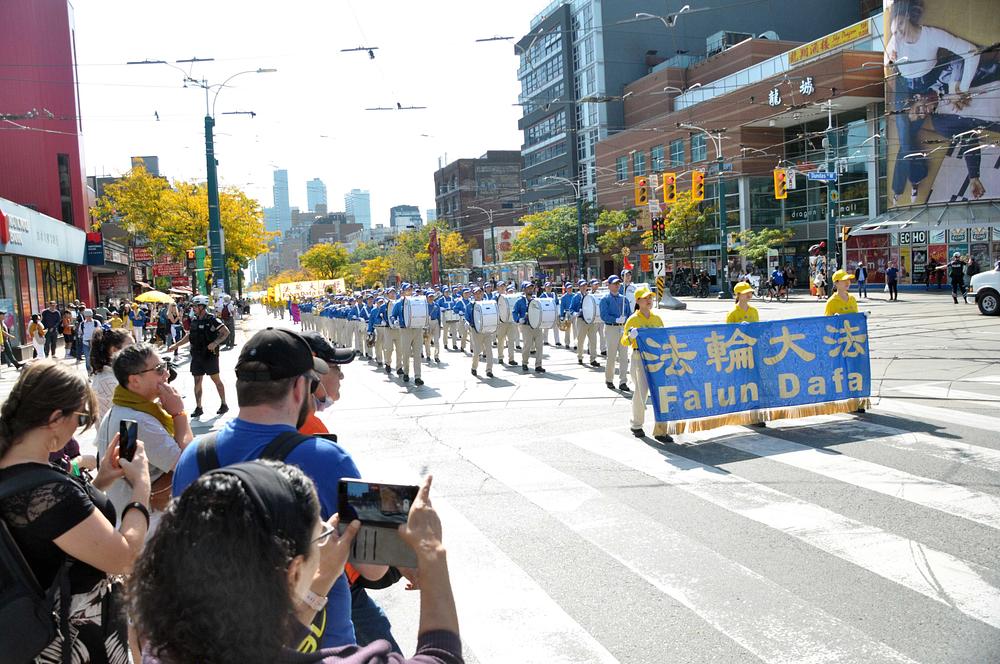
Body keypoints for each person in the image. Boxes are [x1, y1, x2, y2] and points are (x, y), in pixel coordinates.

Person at [172, 327, 382, 650]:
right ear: (300, 388)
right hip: (319, 646)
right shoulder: (327, 459)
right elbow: (374, 566)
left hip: (226, 645)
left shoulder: (193, 457)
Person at [134, 462, 462, 664]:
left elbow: (261, 648)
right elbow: (441, 657)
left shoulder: (161, 647)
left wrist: (319, 583)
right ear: (292, 571)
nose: (326, 542)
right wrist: (431, 552)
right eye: (320, 538)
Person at [0, 360, 151, 663]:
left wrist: (102, 481)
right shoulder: (51, 492)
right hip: (74, 639)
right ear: (56, 418)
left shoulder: (20, 473)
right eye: (79, 416)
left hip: (31, 636)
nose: (77, 427)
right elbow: (124, 557)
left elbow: (52, 527)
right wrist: (141, 486)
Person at [96, 344, 193, 527]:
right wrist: (179, 414)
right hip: (149, 522)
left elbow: (127, 463)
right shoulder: (138, 420)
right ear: (134, 381)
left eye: (164, 365)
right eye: (159, 369)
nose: (167, 373)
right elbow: (188, 463)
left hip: (130, 515)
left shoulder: (122, 411)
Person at [167, 295, 230, 418]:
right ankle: (199, 407)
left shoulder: (212, 319)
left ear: (202, 306)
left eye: (195, 306)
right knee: (197, 381)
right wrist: (175, 345)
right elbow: (189, 336)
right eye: (193, 306)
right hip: (197, 355)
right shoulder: (194, 320)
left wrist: (215, 343)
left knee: (216, 380)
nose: (193, 308)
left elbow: (226, 332)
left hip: (210, 355)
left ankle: (224, 404)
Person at [622, 287, 671, 443]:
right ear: (637, 301)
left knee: (661, 393)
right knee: (641, 392)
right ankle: (636, 424)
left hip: (657, 358)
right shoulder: (632, 319)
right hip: (639, 357)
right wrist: (631, 336)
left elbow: (664, 337)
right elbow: (624, 341)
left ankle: (661, 430)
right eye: (644, 298)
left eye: (650, 297)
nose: (649, 300)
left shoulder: (657, 318)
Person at [90, 327, 134, 419]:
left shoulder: (116, 374)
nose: (136, 350)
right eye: (131, 347)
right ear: (114, 350)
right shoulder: (108, 381)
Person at [390, 283, 424, 386]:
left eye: (410, 289)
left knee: (417, 354)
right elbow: (393, 315)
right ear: (403, 291)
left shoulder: (417, 301)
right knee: (406, 353)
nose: (410, 291)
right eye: (407, 289)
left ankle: (418, 376)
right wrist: (394, 321)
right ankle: (406, 373)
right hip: (405, 330)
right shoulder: (398, 303)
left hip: (417, 329)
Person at [600, 276, 629, 391]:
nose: (617, 285)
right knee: (611, 356)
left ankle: (623, 381)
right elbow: (604, 315)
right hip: (611, 328)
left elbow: (630, 313)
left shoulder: (624, 299)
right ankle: (609, 379)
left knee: (624, 356)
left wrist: (626, 321)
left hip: (623, 328)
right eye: (615, 283)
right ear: (609, 285)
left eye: (618, 283)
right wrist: (616, 319)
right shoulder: (605, 299)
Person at [512, 281, 545, 374]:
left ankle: (538, 365)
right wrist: (518, 320)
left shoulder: (536, 300)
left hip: (537, 326)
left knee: (539, 346)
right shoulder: (520, 301)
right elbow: (514, 312)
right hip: (526, 326)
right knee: (527, 345)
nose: (530, 289)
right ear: (524, 289)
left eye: (531, 288)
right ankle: (525, 363)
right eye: (528, 288)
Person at [466, 287, 495, 378]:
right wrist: (467, 323)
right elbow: (467, 317)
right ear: (473, 294)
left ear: (482, 294)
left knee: (489, 351)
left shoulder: (487, 303)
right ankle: (474, 367)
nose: (478, 295)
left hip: (486, 330)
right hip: (476, 330)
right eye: (476, 293)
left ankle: (489, 370)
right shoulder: (469, 305)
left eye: (479, 293)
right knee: (477, 351)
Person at [78, 308, 99, 373]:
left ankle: (95, 370)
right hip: (85, 342)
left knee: (95, 357)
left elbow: (100, 331)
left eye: (89, 316)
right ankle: (89, 371)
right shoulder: (82, 324)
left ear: (92, 315)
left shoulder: (96, 322)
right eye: (87, 316)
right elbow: (80, 332)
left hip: (94, 342)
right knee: (87, 358)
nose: (88, 318)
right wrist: (79, 336)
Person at [424, 291, 442, 363]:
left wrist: (440, 325)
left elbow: (438, 316)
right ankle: (428, 355)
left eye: (432, 296)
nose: (431, 298)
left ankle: (436, 356)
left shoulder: (436, 305)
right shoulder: (425, 305)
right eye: (430, 297)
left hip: (435, 322)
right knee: (427, 340)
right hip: (428, 323)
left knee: (436, 341)